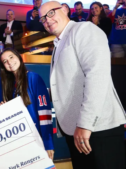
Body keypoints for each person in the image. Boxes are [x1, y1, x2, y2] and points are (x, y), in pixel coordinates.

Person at [39, 1, 126, 169]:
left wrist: (85, 124)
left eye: (51, 13)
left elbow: (97, 76)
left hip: (97, 130)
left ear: (65, 10)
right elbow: (65, 85)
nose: (47, 20)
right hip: (78, 132)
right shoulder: (60, 42)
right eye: (43, 18)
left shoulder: (83, 29)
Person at [0, 48, 54, 159]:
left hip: (38, 138)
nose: (9, 62)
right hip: (21, 140)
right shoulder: (9, 85)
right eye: (5, 61)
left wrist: (48, 143)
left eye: (11, 57)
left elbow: (44, 112)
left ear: (18, 57)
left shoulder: (33, 78)